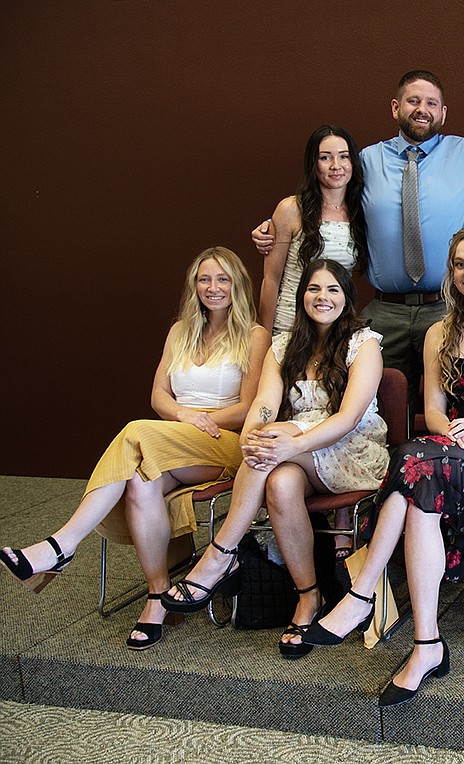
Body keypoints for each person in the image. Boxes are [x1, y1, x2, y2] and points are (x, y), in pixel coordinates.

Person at [301, 227, 464, 707]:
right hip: (450, 446)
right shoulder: (440, 332)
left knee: (414, 461)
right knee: (422, 485)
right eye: (460, 264)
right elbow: (433, 409)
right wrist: (456, 427)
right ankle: (426, 645)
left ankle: (362, 593)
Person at [253, 72, 464, 397]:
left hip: (447, 306)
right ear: (395, 107)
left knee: (452, 395)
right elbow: (328, 190)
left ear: (443, 113)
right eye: (413, 100)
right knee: (374, 398)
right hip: (386, 309)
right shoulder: (367, 161)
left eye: (431, 103)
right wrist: (276, 224)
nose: (422, 109)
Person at [2, 248, 269, 650]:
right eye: (204, 279)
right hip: (172, 439)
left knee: (133, 433)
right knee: (140, 484)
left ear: (239, 285)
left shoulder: (254, 335)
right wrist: (183, 415)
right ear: (194, 286)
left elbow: (250, 407)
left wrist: (201, 419)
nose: (213, 288)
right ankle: (158, 595)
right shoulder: (180, 331)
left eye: (223, 279)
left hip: (224, 444)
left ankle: (62, 544)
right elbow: (158, 395)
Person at [161, 259, 388, 662]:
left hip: (351, 448)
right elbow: (264, 404)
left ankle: (219, 556)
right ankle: (308, 597)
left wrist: (292, 438)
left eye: (333, 290)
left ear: (346, 298)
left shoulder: (363, 344)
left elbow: (347, 418)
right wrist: (254, 436)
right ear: (301, 297)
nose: (323, 297)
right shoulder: (282, 346)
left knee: (275, 442)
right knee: (276, 473)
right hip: (294, 454)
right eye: (314, 289)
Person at [258, 125, 368, 334]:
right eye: (325, 158)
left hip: (334, 329)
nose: (336, 166)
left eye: (344, 157)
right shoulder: (291, 209)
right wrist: (264, 335)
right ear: (313, 164)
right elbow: (270, 280)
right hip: (290, 326)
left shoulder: (360, 212)